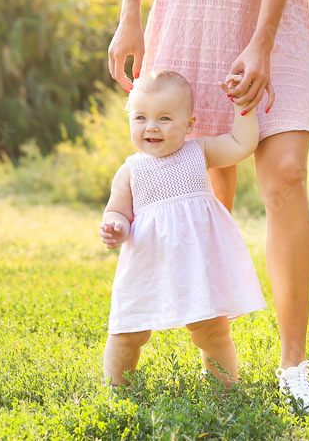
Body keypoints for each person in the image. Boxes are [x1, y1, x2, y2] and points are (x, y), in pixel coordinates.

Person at [106, 0, 309, 411]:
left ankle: (293, 364)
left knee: (286, 173)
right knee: (209, 185)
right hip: (192, 3)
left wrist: (262, 39)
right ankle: (218, 355)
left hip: (273, 15)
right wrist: (130, 11)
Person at [99, 70, 264, 389]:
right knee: (128, 330)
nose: (151, 127)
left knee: (212, 331)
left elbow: (241, 143)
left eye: (164, 118)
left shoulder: (199, 152)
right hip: (148, 264)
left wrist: (242, 106)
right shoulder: (130, 170)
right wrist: (116, 226)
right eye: (141, 117)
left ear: (189, 124)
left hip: (196, 264)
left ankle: (223, 389)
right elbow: (117, 209)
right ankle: (117, 390)